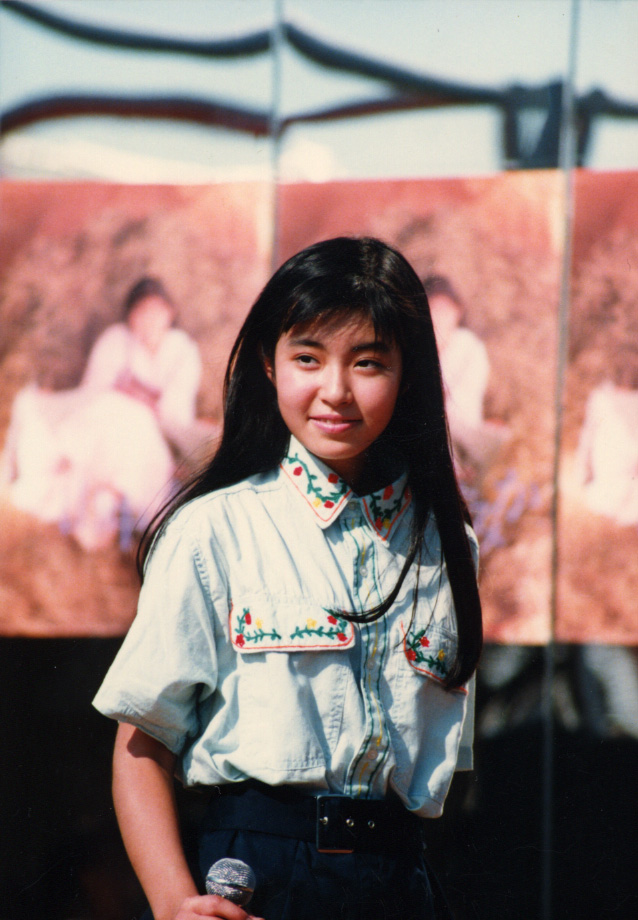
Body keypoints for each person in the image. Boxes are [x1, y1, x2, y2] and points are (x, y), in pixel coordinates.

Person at [93, 238, 483, 920]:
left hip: (402, 882)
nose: (336, 390)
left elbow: (445, 771)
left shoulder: (449, 546)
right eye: (308, 357)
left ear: (409, 375)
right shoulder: (214, 531)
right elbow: (141, 744)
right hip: (259, 881)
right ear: (269, 365)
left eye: (368, 362)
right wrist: (173, 903)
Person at [2, 277, 217, 550]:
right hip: (105, 421)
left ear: (170, 313)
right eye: (141, 311)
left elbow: (175, 415)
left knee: (148, 465)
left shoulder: (183, 351)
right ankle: (92, 502)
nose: (149, 319)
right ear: (130, 316)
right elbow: (94, 393)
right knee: (45, 416)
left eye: (156, 310)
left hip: (148, 435)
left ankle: (122, 512)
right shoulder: (116, 339)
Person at [424, 275, 507, 478]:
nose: (439, 317)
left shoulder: (468, 347)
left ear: (457, 311)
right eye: (433, 309)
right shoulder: (415, 349)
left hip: (461, 432)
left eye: (445, 310)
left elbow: (447, 401)